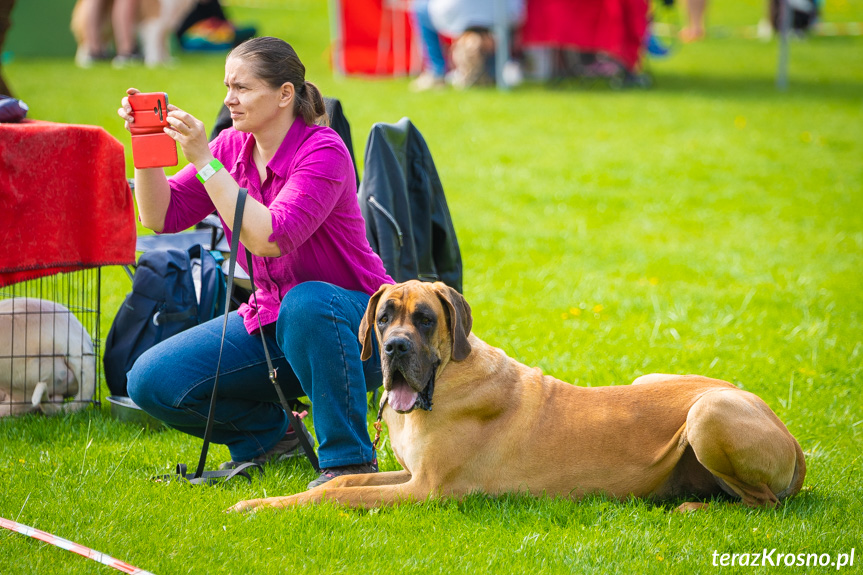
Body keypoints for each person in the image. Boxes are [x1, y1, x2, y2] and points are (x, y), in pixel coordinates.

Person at [117, 36, 393, 488]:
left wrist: (205, 162)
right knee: (150, 379)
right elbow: (159, 215)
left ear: (285, 94)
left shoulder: (323, 151)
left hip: (360, 331)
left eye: (242, 88)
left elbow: (270, 238)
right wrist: (146, 143)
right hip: (272, 321)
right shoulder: (230, 147)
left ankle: (349, 466)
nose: (228, 99)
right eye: (228, 86)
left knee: (307, 303)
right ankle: (272, 435)